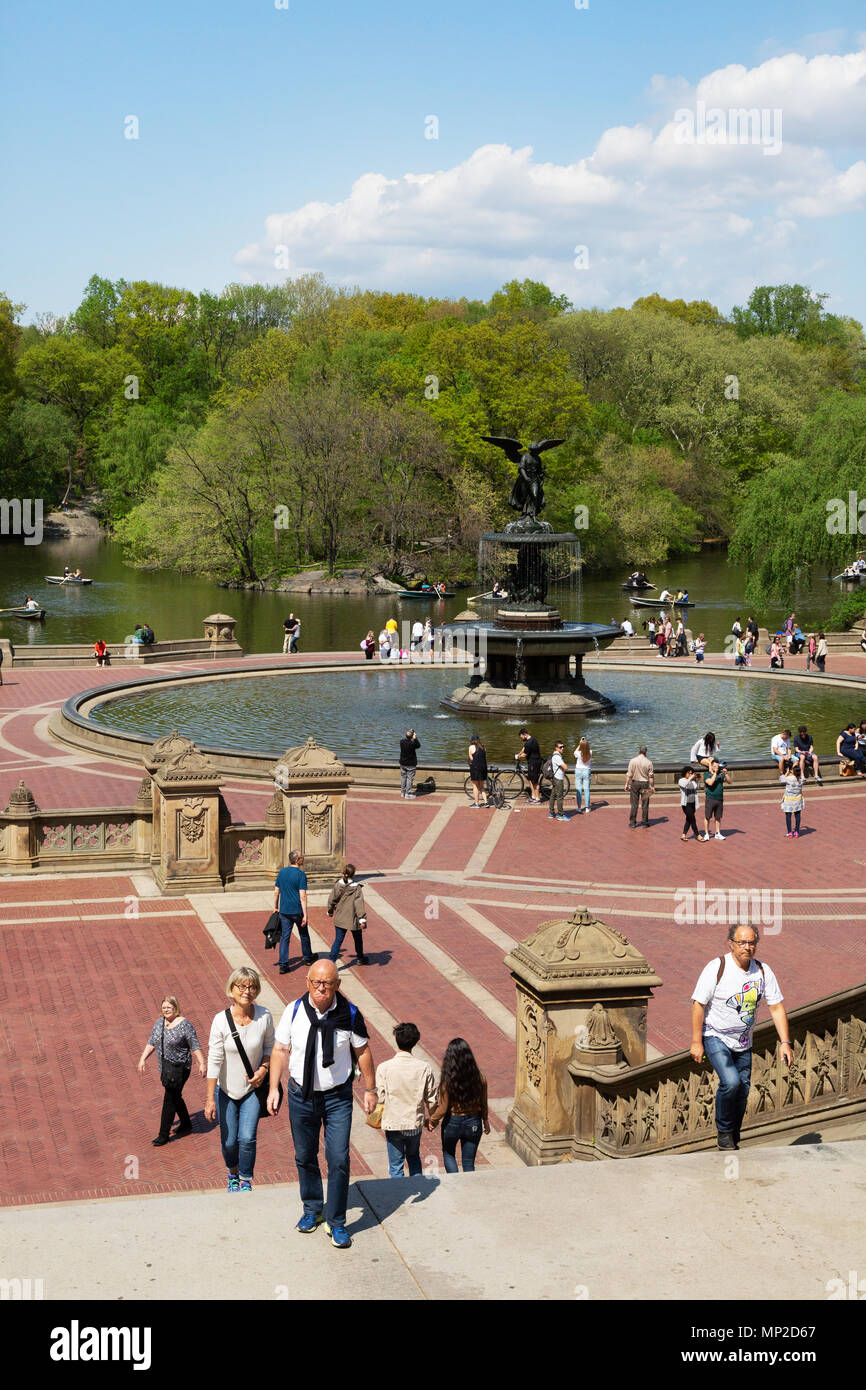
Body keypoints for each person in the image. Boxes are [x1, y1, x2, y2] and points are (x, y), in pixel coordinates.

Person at [268, 960, 376, 1248]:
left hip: (337, 1097)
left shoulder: (350, 1014)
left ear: (337, 985)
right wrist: (273, 1088)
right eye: (316, 982)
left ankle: (337, 1222)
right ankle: (313, 1209)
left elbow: (363, 1051)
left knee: (338, 1158)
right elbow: (279, 1050)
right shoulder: (293, 1012)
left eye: (327, 983)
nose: (321, 988)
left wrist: (370, 1089)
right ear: (307, 981)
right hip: (300, 1095)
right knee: (305, 1155)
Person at [690, 925, 792, 1150]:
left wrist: (785, 1043)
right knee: (731, 1082)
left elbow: (776, 1007)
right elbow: (698, 1004)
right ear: (730, 943)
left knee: (743, 1089)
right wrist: (697, 1042)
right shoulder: (717, 967)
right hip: (715, 1035)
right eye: (742, 943)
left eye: (752, 942)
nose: (748, 947)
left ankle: (734, 1133)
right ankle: (724, 1131)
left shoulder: (762, 971)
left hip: (744, 1041)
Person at [205, 967, 275, 1192]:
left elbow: (270, 1047)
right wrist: (209, 1098)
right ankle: (232, 1171)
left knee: (247, 1138)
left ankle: (245, 1178)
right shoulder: (220, 1021)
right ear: (231, 989)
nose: (247, 991)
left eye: (252, 986)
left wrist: (263, 1069)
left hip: (251, 1091)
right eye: (242, 986)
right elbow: (214, 1061)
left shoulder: (264, 1016)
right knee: (229, 1140)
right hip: (225, 1090)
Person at [138, 995, 205, 1146]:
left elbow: (194, 1045)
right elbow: (152, 1042)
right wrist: (142, 1058)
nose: (166, 1010)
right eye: (163, 1008)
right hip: (165, 1068)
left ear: (176, 1008)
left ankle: (163, 1134)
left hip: (181, 1068)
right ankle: (187, 1123)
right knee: (175, 1096)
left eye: (169, 1007)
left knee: (169, 1099)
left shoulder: (185, 1025)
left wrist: (202, 1063)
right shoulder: (159, 1023)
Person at [375, 1022, 437, 1179]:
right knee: (414, 1157)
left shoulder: (384, 1067)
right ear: (415, 1042)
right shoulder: (424, 1067)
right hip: (413, 1123)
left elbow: (381, 1097)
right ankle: (417, 1185)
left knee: (396, 1166)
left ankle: (399, 1195)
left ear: (396, 1039)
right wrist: (432, 1118)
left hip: (393, 1123)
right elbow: (431, 1097)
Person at [427, 1037, 489, 1173]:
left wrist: (433, 1120)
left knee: (449, 1155)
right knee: (468, 1162)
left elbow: (443, 1108)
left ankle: (455, 1185)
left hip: (452, 1122)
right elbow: (484, 1102)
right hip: (474, 1121)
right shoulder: (480, 1078)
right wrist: (485, 1120)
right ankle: (468, 1189)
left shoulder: (448, 1081)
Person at [274, 850, 312, 974]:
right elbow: (303, 896)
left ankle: (283, 964)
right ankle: (307, 958)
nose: (303, 859)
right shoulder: (301, 875)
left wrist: (275, 906)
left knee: (285, 937)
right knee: (304, 935)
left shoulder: (282, 872)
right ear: (297, 860)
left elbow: (276, 891)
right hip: (297, 911)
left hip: (284, 910)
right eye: (301, 857)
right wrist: (305, 914)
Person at [327, 863, 368, 965]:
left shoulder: (338, 884)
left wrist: (330, 911)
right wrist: (362, 919)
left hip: (340, 917)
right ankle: (360, 958)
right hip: (353, 918)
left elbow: (332, 899)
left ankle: (331, 962)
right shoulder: (356, 888)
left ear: (343, 873)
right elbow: (359, 904)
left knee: (338, 940)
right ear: (353, 874)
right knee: (358, 939)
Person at [625, 744, 654, 828]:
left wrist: (626, 784)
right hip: (645, 784)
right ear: (646, 753)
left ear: (639, 752)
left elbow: (629, 775)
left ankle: (633, 822)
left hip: (635, 784)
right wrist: (652, 787)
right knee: (645, 804)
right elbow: (651, 777)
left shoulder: (632, 761)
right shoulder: (649, 762)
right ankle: (645, 823)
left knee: (634, 804)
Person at [701, 757, 730, 841]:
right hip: (710, 798)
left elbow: (729, 781)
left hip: (719, 798)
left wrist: (726, 774)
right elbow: (710, 783)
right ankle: (706, 834)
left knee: (718, 817)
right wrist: (714, 773)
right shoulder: (707, 775)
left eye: (717, 766)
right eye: (714, 766)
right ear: (711, 766)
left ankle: (718, 833)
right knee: (707, 817)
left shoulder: (721, 775)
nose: (716, 768)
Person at [515, 727, 542, 802]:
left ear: (524, 735)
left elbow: (524, 755)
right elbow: (524, 748)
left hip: (535, 763)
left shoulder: (530, 742)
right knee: (530, 779)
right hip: (531, 763)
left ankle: (537, 799)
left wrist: (518, 757)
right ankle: (533, 796)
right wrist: (519, 753)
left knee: (535, 781)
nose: (521, 739)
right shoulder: (530, 740)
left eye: (521, 737)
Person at [780, 758, 804, 837]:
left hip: (789, 801)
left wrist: (786, 773)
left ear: (793, 772)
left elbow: (781, 779)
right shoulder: (801, 780)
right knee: (797, 816)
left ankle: (790, 832)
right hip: (797, 800)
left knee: (788, 816)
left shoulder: (789, 779)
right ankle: (797, 832)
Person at [547, 740, 568, 821]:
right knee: (559, 797)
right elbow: (565, 767)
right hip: (558, 779)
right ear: (556, 748)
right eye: (560, 747)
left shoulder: (555, 755)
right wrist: (565, 765)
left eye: (563, 747)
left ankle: (551, 813)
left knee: (552, 796)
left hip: (555, 778)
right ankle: (560, 815)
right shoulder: (557, 757)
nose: (562, 748)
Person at [678, 766, 700, 841]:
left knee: (689, 819)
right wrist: (691, 778)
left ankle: (683, 835)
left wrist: (698, 780)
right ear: (685, 773)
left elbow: (697, 788)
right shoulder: (681, 780)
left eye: (691, 773)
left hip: (693, 803)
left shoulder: (693, 781)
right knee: (692, 819)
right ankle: (698, 835)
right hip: (686, 804)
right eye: (689, 773)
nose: (690, 775)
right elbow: (684, 785)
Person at [468, 734, 489, 808]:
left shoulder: (471, 747)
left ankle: (476, 803)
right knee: (482, 786)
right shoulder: (483, 747)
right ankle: (486, 802)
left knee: (475, 786)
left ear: (472, 741)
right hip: (484, 768)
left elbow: (471, 759)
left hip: (475, 769)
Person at [399, 727, 420, 798]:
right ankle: (407, 793)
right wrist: (415, 738)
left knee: (403, 778)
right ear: (412, 737)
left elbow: (405, 738)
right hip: (411, 764)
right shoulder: (413, 744)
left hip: (403, 763)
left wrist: (410, 733)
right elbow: (418, 745)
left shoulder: (401, 742)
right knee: (409, 778)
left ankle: (402, 792)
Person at [574, 735, 592, 814]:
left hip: (578, 771)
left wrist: (580, 743)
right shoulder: (590, 752)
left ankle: (579, 807)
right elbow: (586, 749)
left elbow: (574, 753)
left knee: (579, 790)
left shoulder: (578, 753)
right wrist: (584, 743)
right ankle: (587, 808)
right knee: (587, 790)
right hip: (586, 771)